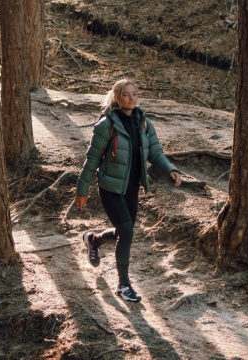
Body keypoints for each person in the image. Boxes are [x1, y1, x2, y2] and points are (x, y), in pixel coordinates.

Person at [74, 79, 183, 303]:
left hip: (131, 188)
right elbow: (92, 159)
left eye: (134, 94)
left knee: (124, 232)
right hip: (110, 188)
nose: (132, 98)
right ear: (117, 98)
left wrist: (170, 170)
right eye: (126, 95)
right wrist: (82, 189)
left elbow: (155, 153)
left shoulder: (144, 123)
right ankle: (123, 286)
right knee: (127, 232)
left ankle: (93, 240)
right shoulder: (107, 124)